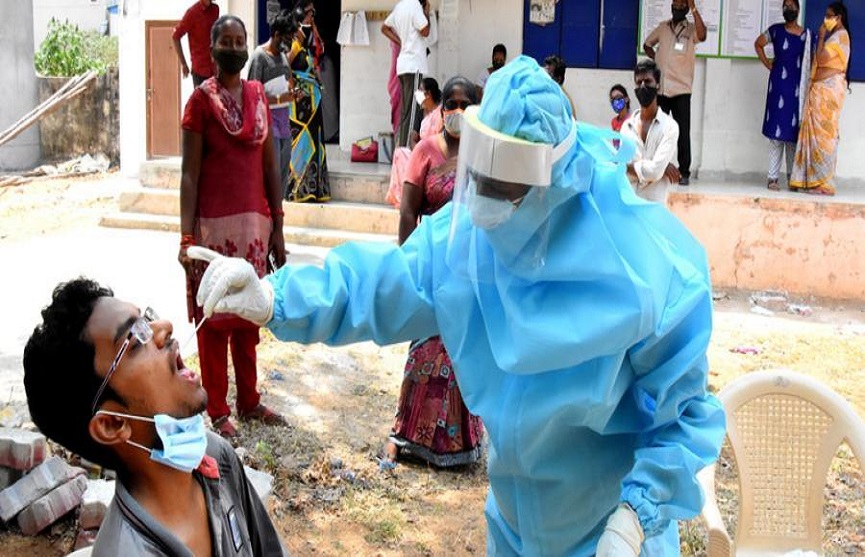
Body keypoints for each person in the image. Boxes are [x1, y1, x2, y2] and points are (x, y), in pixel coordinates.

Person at [192, 56, 726, 555]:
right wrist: (277, 297)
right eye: (482, 175)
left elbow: (684, 416)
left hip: (610, 532)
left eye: (505, 184)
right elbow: (381, 283)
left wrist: (636, 516)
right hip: (515, 522)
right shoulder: (469, 241)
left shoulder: (642, 267)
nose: (486, 199)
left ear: (554, 182)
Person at [23, 279, 288, 556]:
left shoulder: (217, 458)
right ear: (113, 424)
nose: (164, 327)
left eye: (146, 319)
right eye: (136, 340)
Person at [178, 14, 287, 439]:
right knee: (214, 321)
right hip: (211, 234)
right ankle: (219, 409)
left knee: (247, 317)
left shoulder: (259, 96)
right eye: (226, 39)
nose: (235, 47)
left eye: (240, 40)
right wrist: (186, 237)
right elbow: (189, 174)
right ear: (212, 46)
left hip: (254, 232)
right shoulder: (200, 102)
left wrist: (277, 226)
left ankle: (250, 400)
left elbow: (270, 166)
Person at [382, 76, 484, 469]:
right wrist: (406, 264)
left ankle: (459, 445)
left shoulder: (483, 153)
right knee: (424, 348)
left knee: (461, 353)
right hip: (431, 266)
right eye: (450, 103)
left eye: (465, 103)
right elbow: (408, 211)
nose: (456, 110)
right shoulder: (425, 151)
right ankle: (408, 433)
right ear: (441, 108)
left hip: (470, 270)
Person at [789, 1, 851, 196]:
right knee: (815, 137)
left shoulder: (840, 37)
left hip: (829, 93)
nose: (826, 19)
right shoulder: (836, 36)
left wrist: (822, 36)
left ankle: (824, 183)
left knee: (825, 137)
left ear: (838, 18)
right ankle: (812, 181)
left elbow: (823, 59)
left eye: (829, 15)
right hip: (820, 91)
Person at [643, 0, 706, 185]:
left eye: (681, 5)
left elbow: (702, 35)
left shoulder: (691, 29)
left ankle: (684, 172)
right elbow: (647, 44)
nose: (677, 7)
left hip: (681, 90)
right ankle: (654, 168)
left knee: (682, 133)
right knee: (658, 130)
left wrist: (694, 8)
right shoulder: (663, 27)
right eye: (675, 4)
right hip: (661, 89)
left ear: (687, 8)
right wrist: (657, 58)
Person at [755, 0, 812, 191]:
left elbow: (810, 63)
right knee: (776, 136)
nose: (789, 9)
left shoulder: (806, 36)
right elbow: (758, 44)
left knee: (792, 136)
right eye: (785, 6)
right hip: (778, 86)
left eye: (792, 6)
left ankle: (792, 179)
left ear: (798, 9)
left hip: (797, 89)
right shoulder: (775, 31)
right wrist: (768, 64)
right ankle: (772, 178)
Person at [248, 10, 298, 199]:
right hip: (267, 128)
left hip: (284, 126)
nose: (290, 41)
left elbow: (289, 81)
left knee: (282, 177)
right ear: (276, 34)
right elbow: (251, 97)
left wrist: (292, 93)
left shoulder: (284, 57)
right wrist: (278, 99)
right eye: (288, 37)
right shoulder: (259, 57)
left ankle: (277, 215)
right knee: (270, 177)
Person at [287, 1, 331, 203]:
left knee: (316, 140)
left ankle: (314, 189)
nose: (311, 16)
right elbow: (285, 66)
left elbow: (319, 51)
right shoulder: (294, 45)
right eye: (308, 13)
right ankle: (298, 188)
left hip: (314, 100)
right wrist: (292, 86)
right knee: (304, 141)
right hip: (301, 103)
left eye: (313, 13)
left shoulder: (306, 43)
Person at [620, 59, 681, 203]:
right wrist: (658, 166)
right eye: (638, 82)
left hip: (654, 210)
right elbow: (622, 168)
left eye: (648, 81)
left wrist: (629, 167)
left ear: (658, 86)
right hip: (628, 206)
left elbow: (654, 172)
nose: (642, 86)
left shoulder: (670, 127)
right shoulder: (626, 127)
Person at [386, 77, 444, 209]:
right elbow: (413, 136)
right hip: (420, 153)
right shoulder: (422, 113)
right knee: (400, 153)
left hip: (432, 160)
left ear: (428, 94)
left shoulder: (439, 115)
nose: (417, 93)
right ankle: (401, 197)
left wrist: (419, 150)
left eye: (420, 90)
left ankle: (408, 200)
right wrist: (417, 151)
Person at [381, 0, 431, 148]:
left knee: (406, 111)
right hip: (413, 65)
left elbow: (384, 28)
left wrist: (401, 42)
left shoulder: (400, 6)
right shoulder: (415, 6)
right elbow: (425, 31)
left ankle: (402, 149)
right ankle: (406, 151)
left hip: (403, 65)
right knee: (413, 111)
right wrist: (426, 11)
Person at [173, 0, 220, 87]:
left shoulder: (215, 10)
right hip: (200, 71)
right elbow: (176, 36)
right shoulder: (192, 13)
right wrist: (184, 64)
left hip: (215, 69)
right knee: (201, 100)